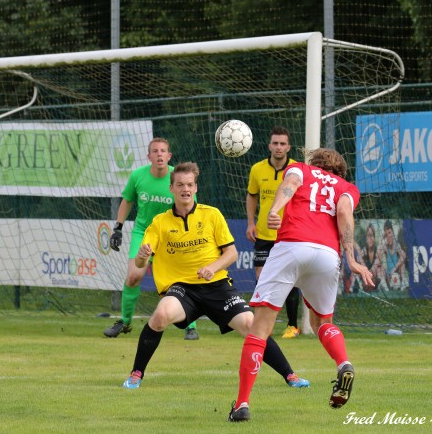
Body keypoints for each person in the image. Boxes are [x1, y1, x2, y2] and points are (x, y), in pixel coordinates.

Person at [123, 162, 309, 390]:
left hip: (217, 286)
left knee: (251, 324)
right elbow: (142, 261)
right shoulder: (160, 223)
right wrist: (142, 257)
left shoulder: (211, 214)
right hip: (183, 289)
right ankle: (136, 373)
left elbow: (231, 253)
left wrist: (212, 267)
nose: (185, 189)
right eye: (180, 184)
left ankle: (290, 375)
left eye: (190, 184)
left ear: (196, 188)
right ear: (171, 188)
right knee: (161, 314)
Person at [229, 148, 374, 422]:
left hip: (292, 245)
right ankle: (343, 364)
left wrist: (274, 211)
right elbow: (343, 211)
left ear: (314, 163)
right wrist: (351, 258)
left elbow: (291, 185)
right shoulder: (347, 187)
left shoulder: (301, 170)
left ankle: (242, 404)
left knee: (260, 328)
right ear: (340, 171)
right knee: (323, 322)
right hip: (326, 255)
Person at [104, 138, 199, 340]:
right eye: (155, 151)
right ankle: (125, 322)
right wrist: (118, 228)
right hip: (143, 233)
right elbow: (127, 200)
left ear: (169, 156)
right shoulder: (138, 176)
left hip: (170, 235)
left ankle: (191, 325)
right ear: (149, 156)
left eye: (163, 151)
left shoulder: (178, 178)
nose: (159, 154)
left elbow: (192, 207)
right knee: (133, 277)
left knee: (178, 281)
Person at [246, 126, 301, 338]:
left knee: (290, 279)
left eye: (282, 144)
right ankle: (263, 325)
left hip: (289, 234)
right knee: (262, 278)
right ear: (269, 145)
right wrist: (251, 223)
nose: (278, 147)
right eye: (275, 143)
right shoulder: (257, 169)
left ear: (288, 147)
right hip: (264, 234)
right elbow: (252, 195)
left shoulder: (297, 170)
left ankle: (292, 325)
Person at [376, 220, 407, 290]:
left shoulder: (397, 245)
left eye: (390, 233)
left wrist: (394, 269)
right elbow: (377, 255)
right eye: (386, 235)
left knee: (402, 265)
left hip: (396, 272)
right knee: (379, 265)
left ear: (393, 233)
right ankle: (384, 285)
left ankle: (403, 285)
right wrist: (381, 239)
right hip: (388, 275)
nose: (388, 236)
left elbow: (404, 255)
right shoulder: (385, 246)